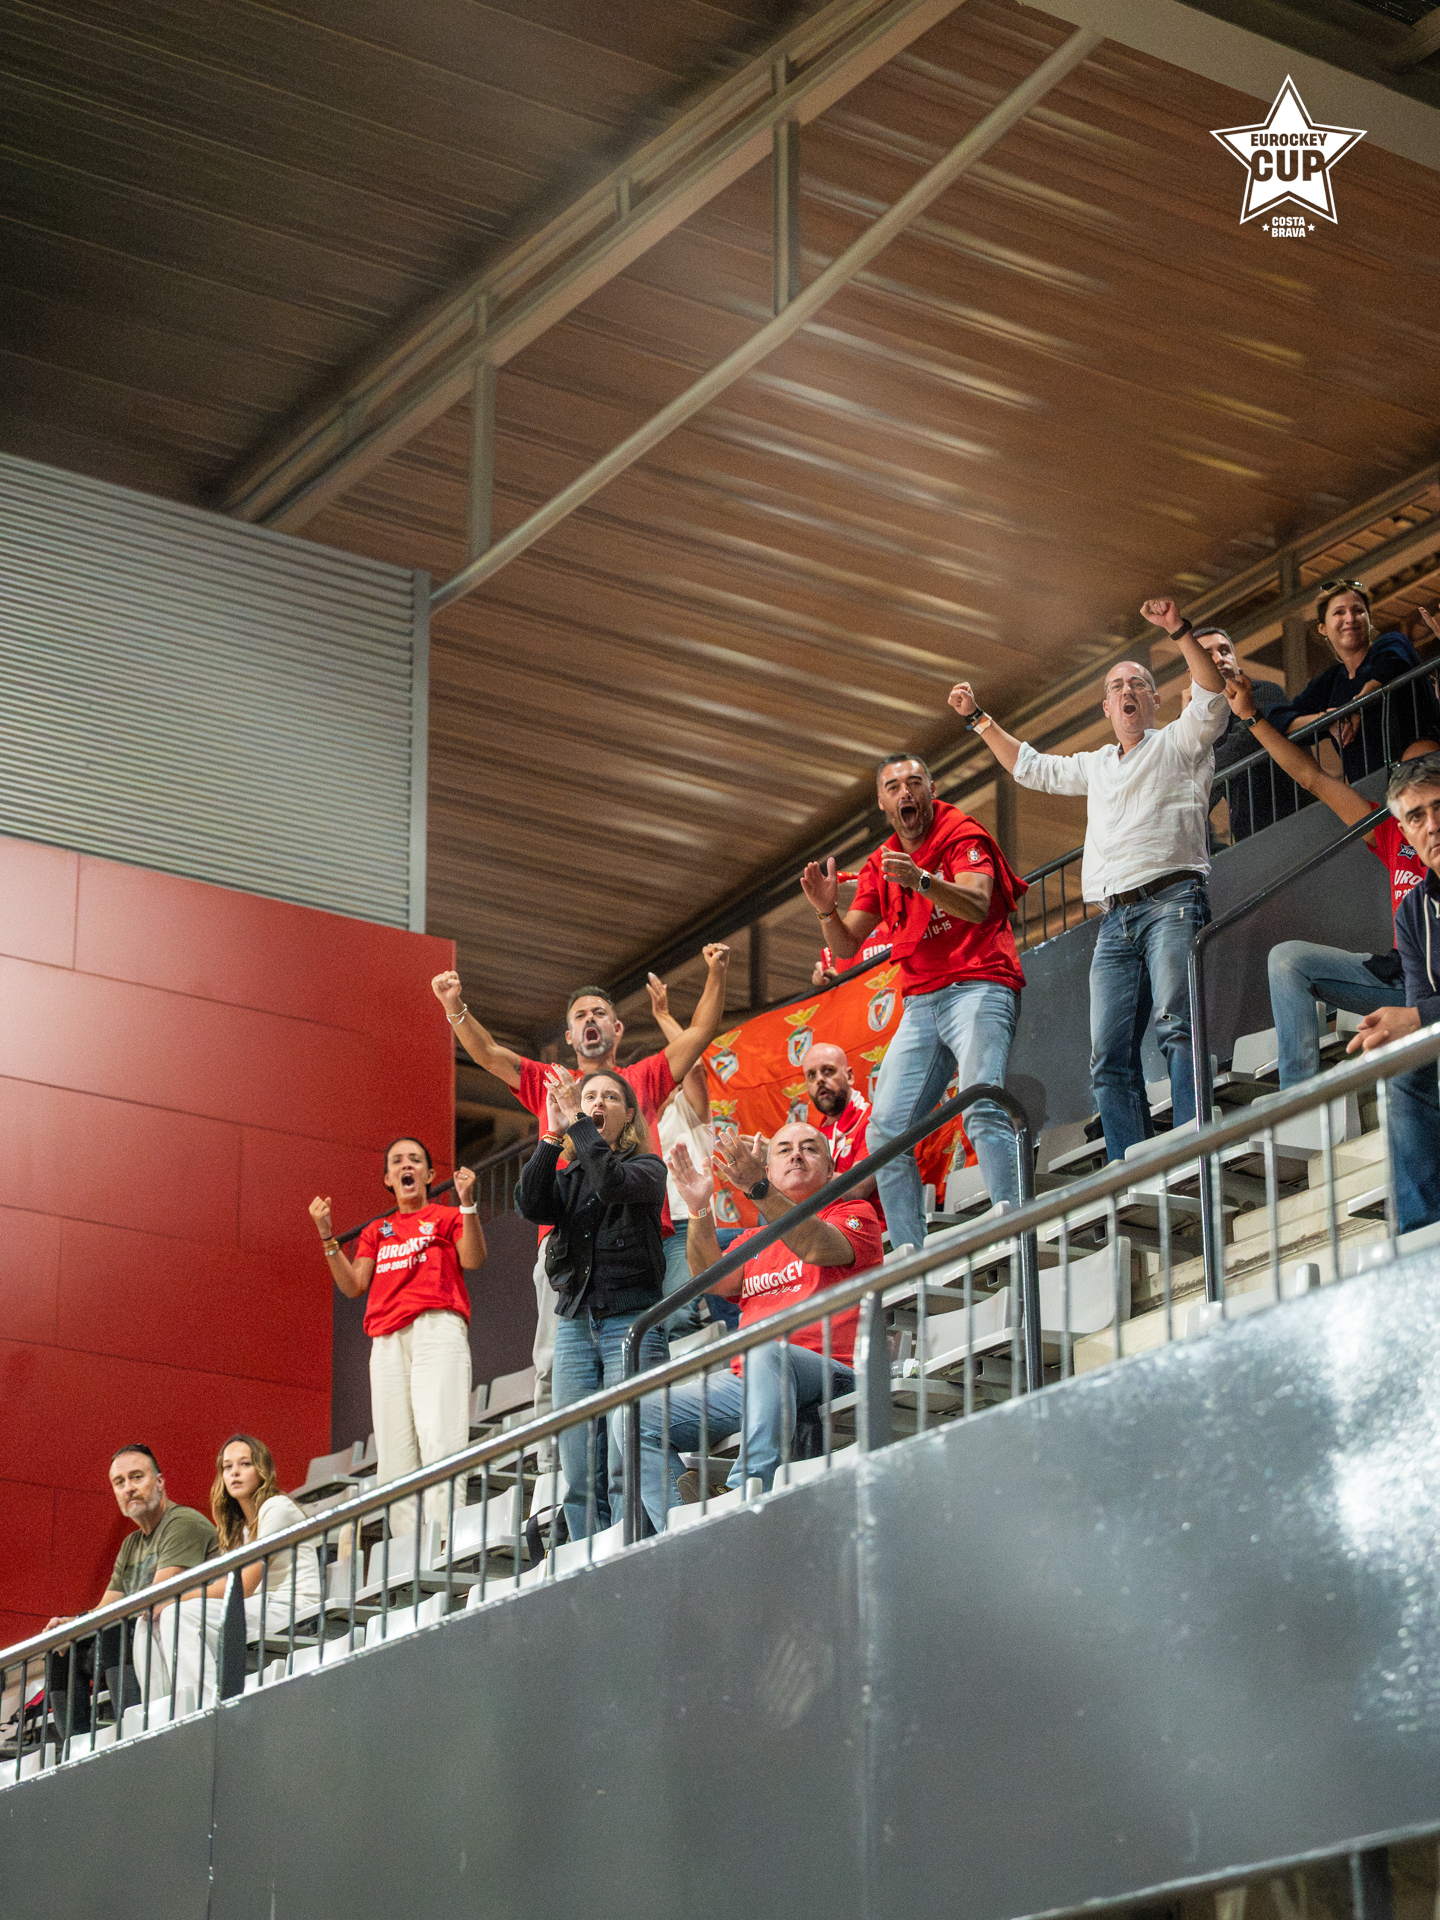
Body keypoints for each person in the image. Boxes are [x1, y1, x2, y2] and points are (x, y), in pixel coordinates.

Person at [952, 597, 1229, 1161]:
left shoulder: (1181, 741)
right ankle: (1130, 1168)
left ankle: (1193, 1145)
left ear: (1154, 700)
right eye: (1117, 686)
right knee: (1107, 1058)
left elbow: (1211, 692)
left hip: (1173, 900)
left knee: (1176, 1026)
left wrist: (1178, 630)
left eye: (1139, 683)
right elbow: (1029, 766)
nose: (1128, 691)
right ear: (1106, 707)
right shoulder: (1096, 764)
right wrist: (978, 718)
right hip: (1113, 921)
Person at [432, 949, 730, 1394]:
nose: (590, 1018)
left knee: (655, 1340)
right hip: (565, 1238)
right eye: (580, 1015)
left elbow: (701, 1032)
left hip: (641, 1236)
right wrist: (454, 1006)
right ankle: (557, 1438)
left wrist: (717, 973)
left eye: (600, 1012)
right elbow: (489, 1053)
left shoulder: (643, 1077)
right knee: (558, 1359)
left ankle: (664, 1427)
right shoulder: (552, 1082)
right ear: (570, 1036)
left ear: (617, 1028)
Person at [799, 754, 1027, 1255]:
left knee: (980, 1104)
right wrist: (826, 910)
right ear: (883, 803)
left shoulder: (961, 834)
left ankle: (1017, 1229)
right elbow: (846, 945)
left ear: (930, 790)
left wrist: (922, 880)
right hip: (922, 1002)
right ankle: (909, 1258)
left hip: (979, 983)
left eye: (914, 782)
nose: (905, 791)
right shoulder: (882, 862)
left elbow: (979, 903)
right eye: (893, 786)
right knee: (884, 1136)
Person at [1223, 672, 1430, 1086]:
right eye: (1409, 774)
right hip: (1399, 978)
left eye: (1431, 771)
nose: (1419, 782)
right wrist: (1252, 718)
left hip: (1434, 989)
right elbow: (1312, 778)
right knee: (1287, 961)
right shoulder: (1393, 831)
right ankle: (1300, 1101)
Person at [659, 1123, 881, 1501]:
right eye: (784, 1149)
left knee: (764, 1349)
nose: (796, 1154)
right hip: (753, 1382)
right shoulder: (754, 1240)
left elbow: (815, 1247)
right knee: (636, 1418)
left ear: (831, 1170)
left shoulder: (854, 1213)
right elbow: (710, 1279)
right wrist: (698, 1208)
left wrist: (758, 1188)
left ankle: (744, 1496)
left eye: (810, 1148)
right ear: (770, 1170)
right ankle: (682, 1519)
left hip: (831, 1370)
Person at [516, 1068, 670, 1540]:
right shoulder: (570, 1176)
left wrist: (580, 1121)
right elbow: (530, 1204)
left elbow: (611, 1181)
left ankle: (629, 1548)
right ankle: (586, 1556)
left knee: (625, 1456)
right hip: (575, 1323)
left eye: (609, 1098)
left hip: (631, 1320)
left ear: (629, 1117)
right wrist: (552, 1134)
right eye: (589, 1097)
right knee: (579, 1464)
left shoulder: (649, 1168)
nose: (597, 1103)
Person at [309, 1140, 486, 1536]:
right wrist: (327, 1237)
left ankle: (443, 1542)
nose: (407, 1166)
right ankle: (408, 1551)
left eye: (415, 1160)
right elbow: (354, 1285)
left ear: (429, 1174)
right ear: (388, 1179)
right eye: (397, 1162)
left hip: (436, 1329)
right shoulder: (377, 1231)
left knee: (441, 1441)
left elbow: (473, 1258)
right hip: (386, 1341)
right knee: (394, 1457)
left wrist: (468, 1204)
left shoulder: (447, 1217)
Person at [31, 1446, 215, 1745]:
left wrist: (92, 1622)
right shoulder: (131, 1543)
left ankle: (132, 1734)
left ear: (159, 1481)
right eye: (120, 1482)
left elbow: (158, 1594)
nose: (128, 1488)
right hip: (139, 1628)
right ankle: (75, 1748)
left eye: (137, 1477)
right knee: (61, 1648)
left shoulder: (183, 1523)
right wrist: (70, 1625)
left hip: (177, 1628)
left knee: (114, 1630)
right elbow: (107, 1606)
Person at [146, 1435, 323, 1708]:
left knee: (179, 1614)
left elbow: (244, 1585)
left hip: (293, 1608)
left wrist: (175, 1598)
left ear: (262, 1471)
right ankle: (163, 1713)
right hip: (259, 1606)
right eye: (227, 1467)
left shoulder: (277, 1507)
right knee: (151, 1623)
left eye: (245, 1464)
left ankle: (205, 1710)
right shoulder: (239, 1529)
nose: (234, 1472)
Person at [1347, 754, 1440, 1233]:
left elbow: (1421, 1012)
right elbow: (1421, 1002)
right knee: (1401, 1065)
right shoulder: (1413, 911)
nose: (1433, 825)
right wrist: (1395, 1030)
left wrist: (1418, 1018)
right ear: (1404, 833)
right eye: (1417, 817)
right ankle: (1421, 1240)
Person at [1282, 581, 1439, 780]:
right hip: (1369, 788)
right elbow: (1281, 719)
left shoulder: (1391, 642)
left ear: (1369, 619)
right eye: (1339, 612)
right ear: (1322, 628)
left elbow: (1390, 666)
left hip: (1426, 769)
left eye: (1358, 611)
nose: (1350, 618)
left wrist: (1356, 709)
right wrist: (1327, 718)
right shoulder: (1330, 681)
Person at [1194, 628, 1294, 841]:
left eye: (1225, 651)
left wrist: (1200, 767)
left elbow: (1243, 742)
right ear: (1192, 672)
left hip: (1295, 814)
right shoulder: (1200, 719)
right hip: (1248, 834)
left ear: (1236, 661)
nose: (1219, 659)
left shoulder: (1264, 691)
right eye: (1208, 655)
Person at [800, 1041, 878, 1203]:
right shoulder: (817, 1135)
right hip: (827, 1217)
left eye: (828, 1071)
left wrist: (796, 1173)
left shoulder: (873, 1121)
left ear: (849, 1076)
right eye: (811, 1075)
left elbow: (857, 1188)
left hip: (868, 1218)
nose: (819, 1080)